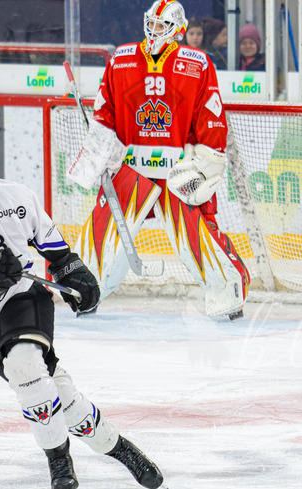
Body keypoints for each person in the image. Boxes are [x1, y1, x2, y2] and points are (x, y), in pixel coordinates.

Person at [0, 133, 164, 489]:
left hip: (24, 297)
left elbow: (56, 252)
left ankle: (58, 461)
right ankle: (122, 449)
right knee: (59, 397)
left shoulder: (17, 199)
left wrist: (75, 274)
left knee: (25, 367)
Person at [67, 0, 250, 320]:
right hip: (130, 167)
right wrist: (100, 154)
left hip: (177, 170)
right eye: (150, 23)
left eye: (161, 25)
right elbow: (104, 112)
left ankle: (228, 288)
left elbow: (210, 114)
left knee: (194, 237)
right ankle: (87, 288)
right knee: (104, 232)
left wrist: (207, 162)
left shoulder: (197, 62)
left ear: (177, 29)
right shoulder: (121, 59)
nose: (153, 30)